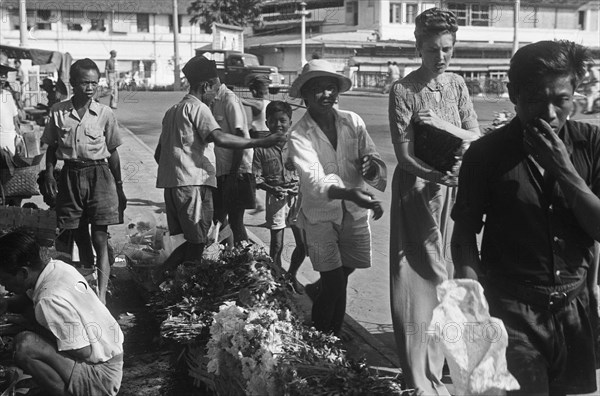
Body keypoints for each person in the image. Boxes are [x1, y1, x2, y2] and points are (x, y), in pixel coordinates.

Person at [451, 40, 599, 395]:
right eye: (534, 100)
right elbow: (464, 234)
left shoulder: (591, 143)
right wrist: (473, 303)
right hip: (512, 312)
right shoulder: (485, 155)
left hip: (573, 308)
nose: (549, 113)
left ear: (575, 93)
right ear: (513, 94)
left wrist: (564, 169)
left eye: (561, 99)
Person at [387, 8, 480, 395]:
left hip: (451, 188)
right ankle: (417, 370)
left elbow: (474, 133)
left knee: (450, 273)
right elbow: (404, 155)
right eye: (431, 50)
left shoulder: (458, 84)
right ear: (417, 48)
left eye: (447, 49)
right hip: (418, 189)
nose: (440, 58)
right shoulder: (403, 90)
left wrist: (449, 135)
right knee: (421, 275)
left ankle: (440, 362)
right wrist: (439, 175)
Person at [155, 55, 286, 265]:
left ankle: (168, 282)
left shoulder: (172, 111)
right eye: (214, 90)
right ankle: (179, 285)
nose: (215, 96)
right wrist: (260, 142)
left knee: (185, 242)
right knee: (198, 243)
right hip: (194, 185)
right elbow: (219, 137)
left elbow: (157, 154)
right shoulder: (199, 108)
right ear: (206, 85)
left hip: (172, 186)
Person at [288, 59, 386, 336]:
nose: (326, 94)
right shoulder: (299, 135)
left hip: (354, 214)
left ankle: (329, 331)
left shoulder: (352, 121)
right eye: (318, 89)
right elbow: (315, 180)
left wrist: (371, 165)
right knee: (333, 282)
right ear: (305, 96)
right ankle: (324, 338)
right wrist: (348, 192)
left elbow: (372, 155)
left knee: (345, 272)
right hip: (319, 217)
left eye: (331, 87)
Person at [42, 58, 127, 304]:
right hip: (70, 175)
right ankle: (86, 284)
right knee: (77, 233)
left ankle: (101, 296)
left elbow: (113, 152)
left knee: (100, 236)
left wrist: (119, 188)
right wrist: (49, 173)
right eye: (84, 83)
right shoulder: (58, 111)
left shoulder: (104, 113)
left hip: (99, 176)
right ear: (73, 84)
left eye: (94, 83)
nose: (90, 88)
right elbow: (51, 147)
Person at [0, 230, 124, 395]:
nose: (3, 287)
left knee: (25, 345)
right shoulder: (55, 268)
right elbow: (27, 297)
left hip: (101, 376)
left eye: (4, 280)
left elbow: (84, 351)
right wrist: (6, 304)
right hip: (111, 358)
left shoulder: (48, 300)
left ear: (23, 272)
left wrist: (27, 327)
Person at [253, 101, 306, 292]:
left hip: (297, 198)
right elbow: (257, 177)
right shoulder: (261, 148)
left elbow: (311, 170)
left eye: (282, 120)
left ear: (290, 122)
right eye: (273, 121)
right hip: (275, 199)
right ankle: (275, 281)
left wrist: (301, 184)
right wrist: (272, 188)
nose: (278, 125)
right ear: (267, 123)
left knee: (304, 244)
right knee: (277, 244)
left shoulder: (298, 144)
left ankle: (291, 275)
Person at [211, 65, 257, 245]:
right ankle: (226, 260)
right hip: (221, 172)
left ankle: (247, 263)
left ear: (210, 82)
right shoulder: (214, 101)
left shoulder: (230, 100)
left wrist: (232, 175)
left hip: (237, 171)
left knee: (236, 222)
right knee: (218, 220)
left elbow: (240, 139)